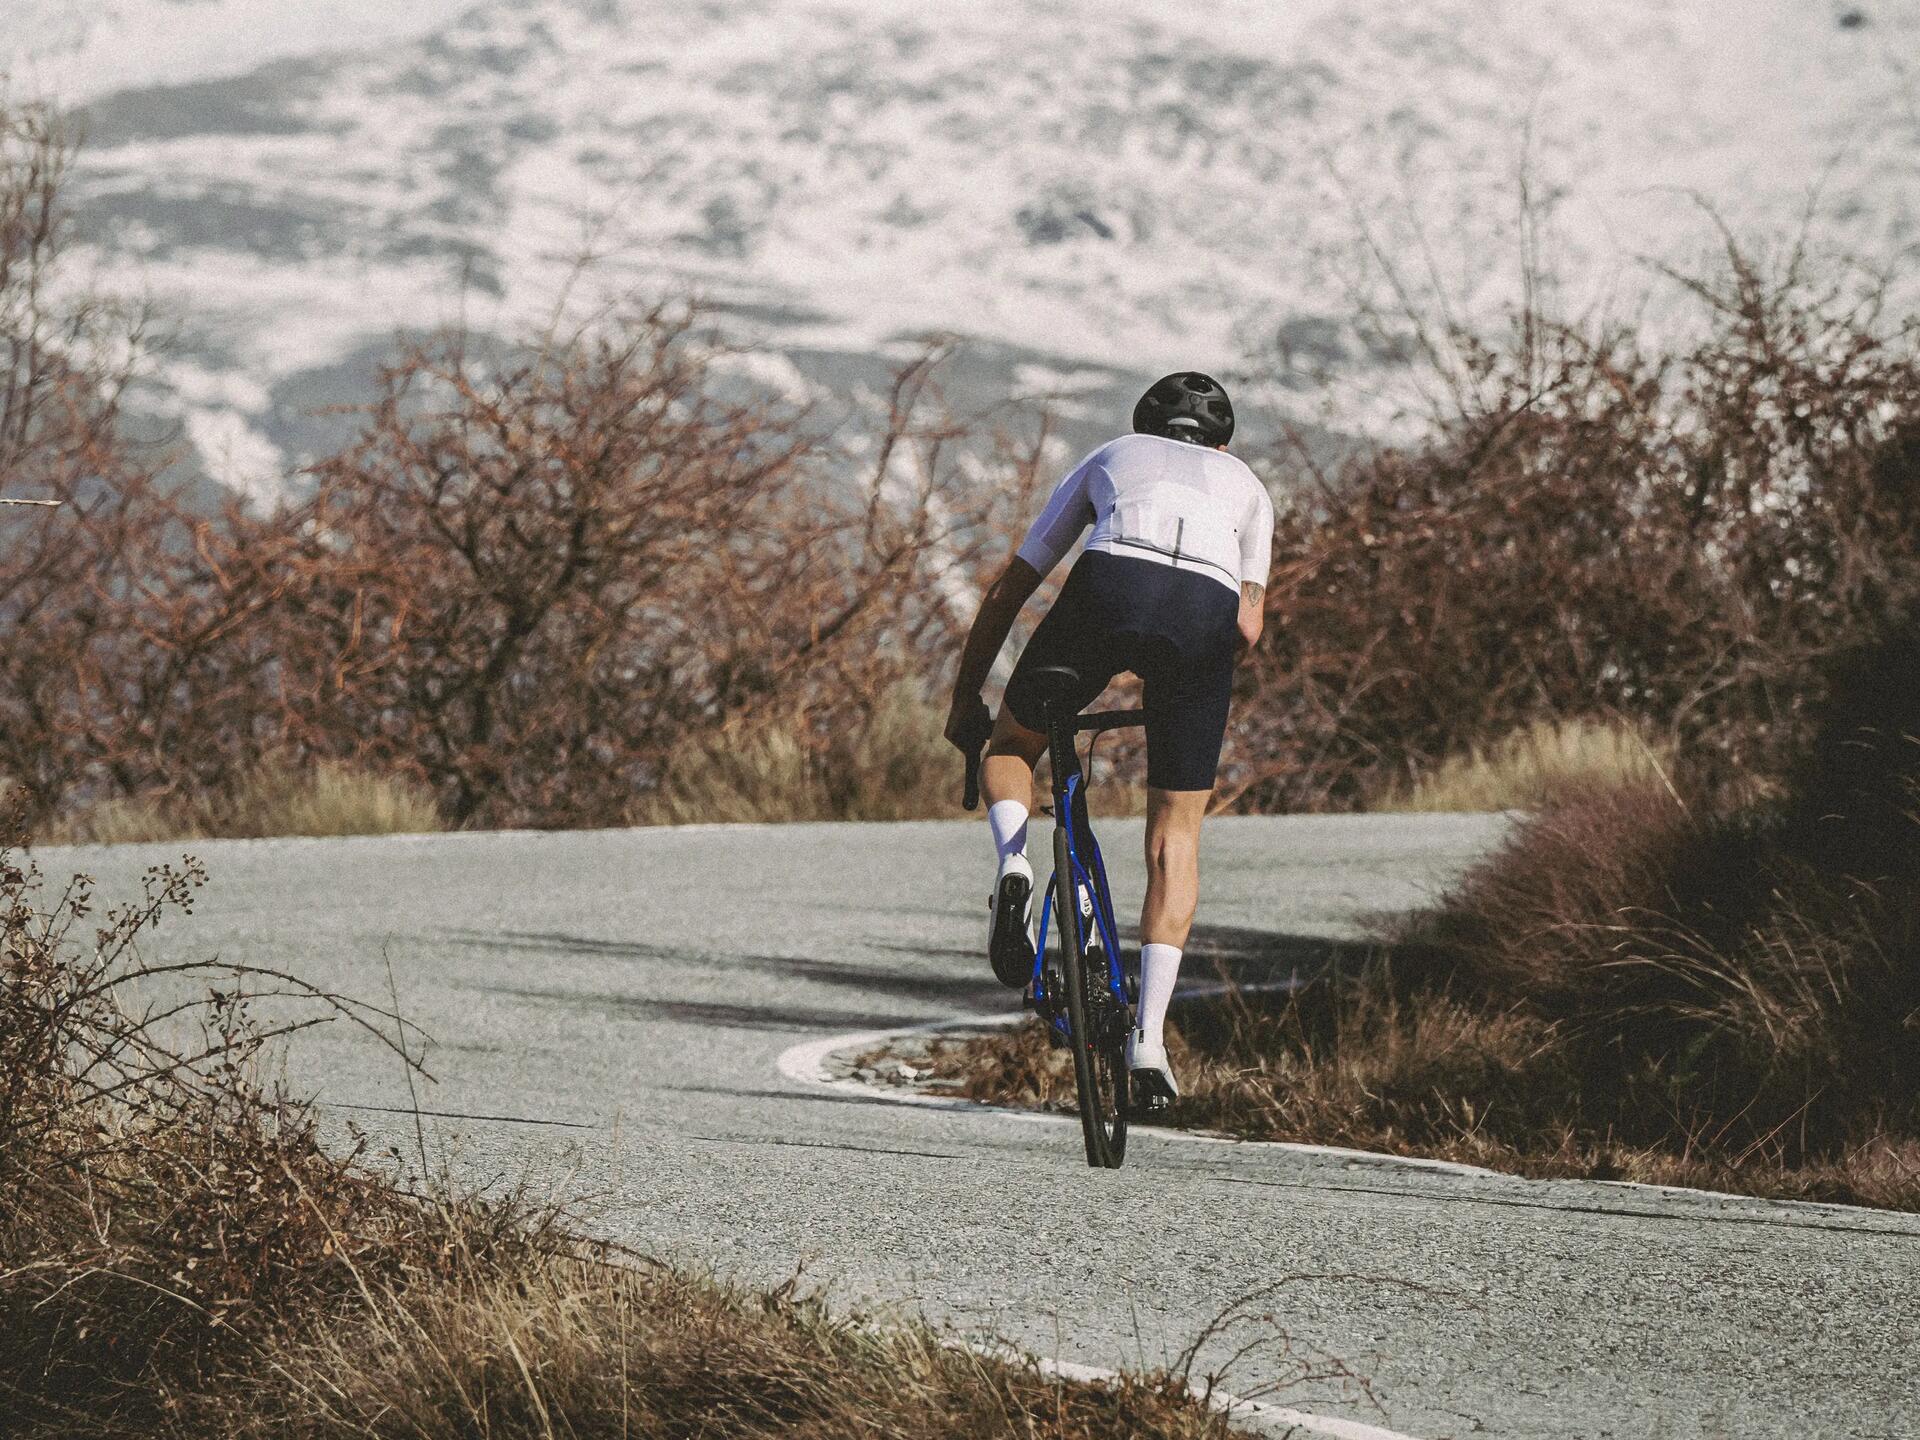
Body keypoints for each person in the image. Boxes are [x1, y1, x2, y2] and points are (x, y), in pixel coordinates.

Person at [944, 371, 1273, 1106]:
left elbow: (1014, 583)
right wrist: (1182, 683)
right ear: (1221, 442)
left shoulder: (1112, 455)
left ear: (1146, 424)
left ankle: (1014, 865)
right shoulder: (1248, 485)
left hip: (1108, 585)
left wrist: (968, 695)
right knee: (1175, 837)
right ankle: (1149, 1041)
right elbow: (1248, 626)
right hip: (1203, 615)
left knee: (1011, 747)